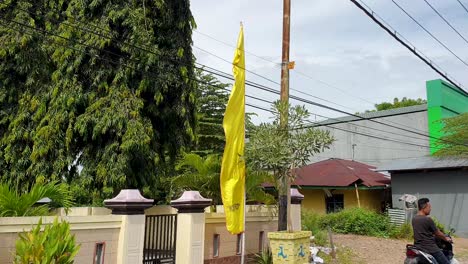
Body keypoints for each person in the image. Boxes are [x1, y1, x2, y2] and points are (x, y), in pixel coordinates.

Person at [412, 198, 452, 264]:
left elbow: (422, 231)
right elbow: (438, 233)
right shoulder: (427, 219)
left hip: (418, 247)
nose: (430, 209)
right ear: (424, 207)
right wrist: (446, 238)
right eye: (429, 207)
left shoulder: (414, 219)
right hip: (430, 248)